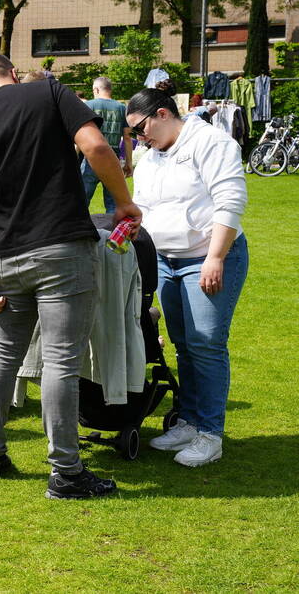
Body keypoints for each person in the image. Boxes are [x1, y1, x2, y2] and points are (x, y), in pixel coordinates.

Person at [0, 52, 141, 500]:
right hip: (61, 249)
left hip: (5, 259)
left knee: (1, 354)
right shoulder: (47, 91)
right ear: (13, 75)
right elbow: (96, 147)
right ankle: (66, 472)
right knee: (61, 362)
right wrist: (123, 202)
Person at [127, 88, 248, 467]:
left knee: (206, 343)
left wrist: (216, 257)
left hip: (208, 256)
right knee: (182, 344)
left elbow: (230, 200)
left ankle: (210, 433)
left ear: (163, 114)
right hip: (166, 260)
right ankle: (189, 421)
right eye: (133, 134)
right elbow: (144, 206)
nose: (138, 139)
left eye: (140, 129)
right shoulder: (150, 158)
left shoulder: (211, 142)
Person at [83, 77, 132, 214]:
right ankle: (112, 227)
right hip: (113, 158)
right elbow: (127, 137)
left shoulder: (88, 106)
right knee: (112, 204)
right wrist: (128, 163)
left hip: (91, 158)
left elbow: (81, 135)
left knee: (82, 201)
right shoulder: (122, 108)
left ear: (96, 89)